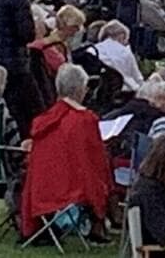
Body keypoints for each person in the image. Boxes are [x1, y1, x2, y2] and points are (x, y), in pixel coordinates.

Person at [20, 63, 112, 242]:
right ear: (80, 89)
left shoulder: (43, 121)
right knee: (105, 178)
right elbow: (96, 161)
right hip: (70, 190)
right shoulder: (85, 120)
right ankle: (100, 226)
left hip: (41, 188)